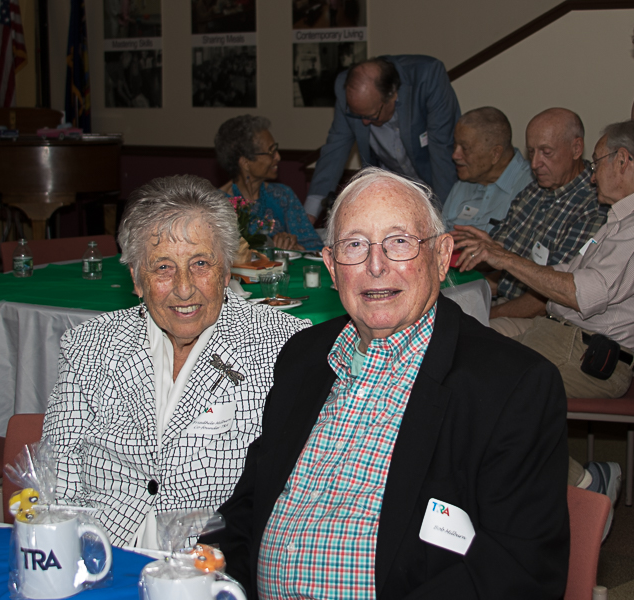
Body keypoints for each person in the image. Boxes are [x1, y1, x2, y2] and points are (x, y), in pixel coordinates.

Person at [204, 167, 570, 599]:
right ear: (332, 267)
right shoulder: (304, 357)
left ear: (440, 256)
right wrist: (212, 582)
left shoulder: (512, 385)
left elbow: (517, 569)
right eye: (355, 246)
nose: (376, 266)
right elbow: (248, 508)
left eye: (399, 243)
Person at [43, 175, 310, 548]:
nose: (184, 288)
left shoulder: (282, 345)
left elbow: (294, 491)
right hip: (105, 560)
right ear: (136, 278)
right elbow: (60, 477)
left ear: (226, 269)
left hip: (214, 566)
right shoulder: (89, 345)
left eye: (201, 263)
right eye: (163, 268)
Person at [459, 120, 634, 401]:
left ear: (623, 161)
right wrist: (504, 257)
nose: (592, 177)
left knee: (474, 381)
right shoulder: (616, 220)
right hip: (558, 332)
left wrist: (506, 259)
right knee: (459, 346)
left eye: (597, 164)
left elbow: (582, 293)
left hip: (586, 353)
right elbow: (568, 272)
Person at [452, 108, 606, 321]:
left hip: (547, 319)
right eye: (531, 152)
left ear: (576, 148)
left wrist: (483, 318)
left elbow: (550, 297)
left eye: (546, 152)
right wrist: (482, 249)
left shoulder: (593, 204)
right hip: (507, 301)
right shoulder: (535, 191)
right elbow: (500, 262)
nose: (534, 164)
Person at [304, 55, 461, 223]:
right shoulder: (347, 88)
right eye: (359, 115)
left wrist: (444, 221)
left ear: (393, 95)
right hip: (390, 193)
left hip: (433, 187)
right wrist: (308, 215)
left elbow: (443, 153)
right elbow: (334, 151)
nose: (364, 122)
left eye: (371, 115)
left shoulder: (428, 77)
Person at [215, 115, 323, 252]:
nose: (278, 157)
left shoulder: (283, 196)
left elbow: (316, 248)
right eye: (270, 152)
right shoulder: (217, 205)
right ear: (245, 162)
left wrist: (295, 247)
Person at [441, 107, 532, 233]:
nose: (455, 155)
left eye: (465, 148)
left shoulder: (532, 186)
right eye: (455, 146)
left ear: (495, 153)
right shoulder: (464, 182)